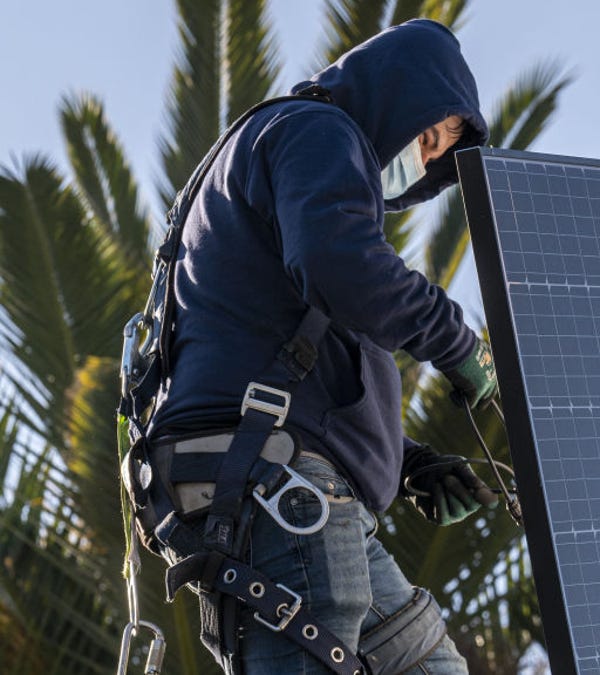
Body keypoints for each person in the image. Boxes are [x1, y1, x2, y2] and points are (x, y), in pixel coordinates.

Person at [138, 19, 498, 675]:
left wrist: (406, 460)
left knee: (430, 664)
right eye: (425, 134)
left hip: (276, 469)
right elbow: (344, 268)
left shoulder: (277, 151)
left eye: (435, 150)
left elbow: (268, 345)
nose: (420, 157)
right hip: (275, 479)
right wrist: (456, 340)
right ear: (396, 95)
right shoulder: (318, 130)